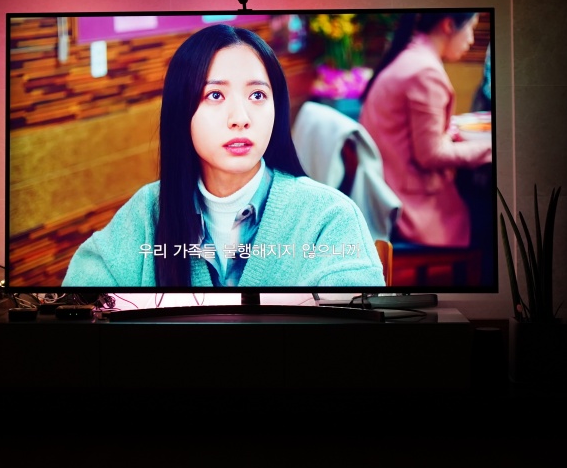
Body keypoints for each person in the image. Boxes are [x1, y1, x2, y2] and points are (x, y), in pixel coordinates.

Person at [64, 23, 385, 288]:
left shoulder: (328, 217)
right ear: (181, 110)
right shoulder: (147, 214)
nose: (240, 118)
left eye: (257, 95)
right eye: (215, 95)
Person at [358, 12, 493, 248]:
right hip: (409, 207)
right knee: (492, 217)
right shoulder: (425, 72)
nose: (471, 39)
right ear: (448, 25)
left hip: (388, 185)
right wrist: (493, 147)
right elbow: (431, 154)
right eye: (470, 28)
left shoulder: (411, 56)